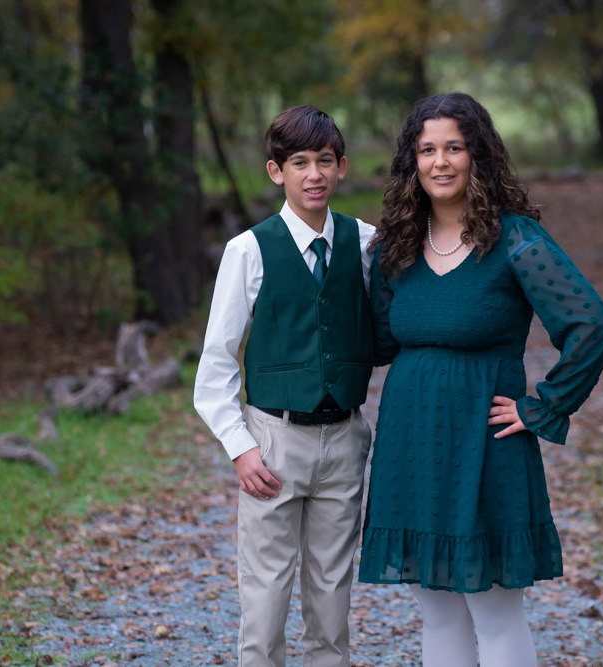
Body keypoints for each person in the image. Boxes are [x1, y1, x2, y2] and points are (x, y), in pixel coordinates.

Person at [358, 92, 603, 667]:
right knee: (438, 612)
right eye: (427, 150)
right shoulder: (397, 247)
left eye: (454, 147)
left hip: (486, 441)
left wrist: (543, 405)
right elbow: (378, 344)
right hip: (411, 443)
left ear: (478, 155)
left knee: (495, 613)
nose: (440, 162)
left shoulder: (515, 240)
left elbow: (592, 325)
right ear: (412, 162)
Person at [194, 106, 377, 667]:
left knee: (332, 591)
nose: (313, 174)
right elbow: (216, 363)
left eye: (324, 160)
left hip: (344, 436)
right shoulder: (248, 250)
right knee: (266, 592)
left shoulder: (366, 243)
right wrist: (240, 448)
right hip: (273, 439)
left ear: (342, 166)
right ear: (277, 172)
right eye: (299, 162)